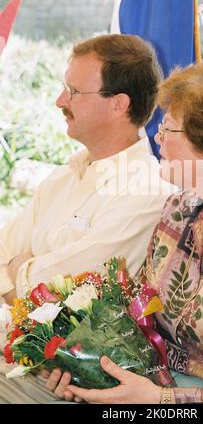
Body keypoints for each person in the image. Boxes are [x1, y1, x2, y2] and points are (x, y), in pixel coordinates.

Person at [51, 60, 203, 404]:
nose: (157, 138)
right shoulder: (178, 210)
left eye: (168, 128)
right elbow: (141, 316)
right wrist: (89, 363)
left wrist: (163, 400)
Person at [0, 34, 175, 403]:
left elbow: (68, 298)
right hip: (22, 357)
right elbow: (8, 259)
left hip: (72, 382)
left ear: (118, 105)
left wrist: (21, 272)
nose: (59, 101)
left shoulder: (147, 190)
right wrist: (23, 275)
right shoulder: (61, 178)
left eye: (74, 92)